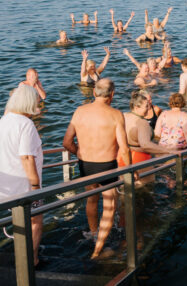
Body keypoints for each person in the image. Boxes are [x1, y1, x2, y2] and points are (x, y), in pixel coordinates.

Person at [62, 79, 131, 259]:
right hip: (107, 165)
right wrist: (130, 170)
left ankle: (93, 235)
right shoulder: (116, 114)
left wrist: (79, 153)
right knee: (109, 206)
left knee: (91, 201)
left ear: (94, 92)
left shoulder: (79, 112)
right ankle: (98, 249)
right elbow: (124, 148)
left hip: (85, 164)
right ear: (112, 95)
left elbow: (66, 142)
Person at [0, 86, 44, 266]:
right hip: (23, 187)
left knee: (20, 220)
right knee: (36, 220)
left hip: (2, 185)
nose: (39, 104)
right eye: (37, 101)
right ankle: (31, 261)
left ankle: (21, 252)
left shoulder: (3, 121)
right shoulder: (25, 124)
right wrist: (36, 187)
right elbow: (27, 157)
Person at [120, 91, 173, 168]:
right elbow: (145, 145)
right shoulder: (142, 122)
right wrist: (169, 151)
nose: (148, 109)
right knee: (148, 180)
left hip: (123, 157)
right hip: (140, 159)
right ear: (136, 107)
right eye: (146, 106)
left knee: (124, 180)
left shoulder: (123, 116)